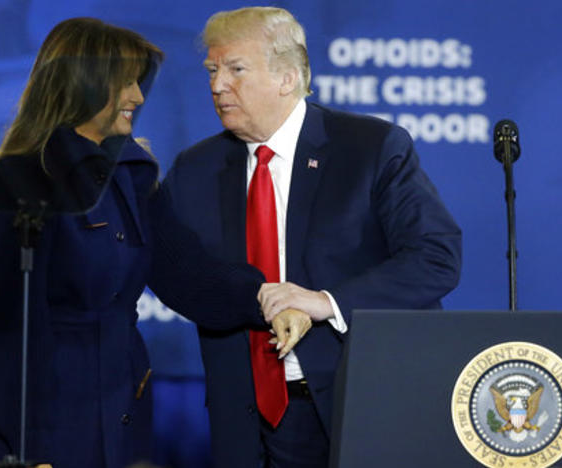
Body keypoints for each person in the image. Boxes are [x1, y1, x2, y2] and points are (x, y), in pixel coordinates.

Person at [0, 17, 310, 468]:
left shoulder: (133, 175)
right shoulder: (29, 179)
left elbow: (187, 273)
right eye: (125, 83)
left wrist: (268, 299)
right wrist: (32, 449)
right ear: (85, 84)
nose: (138, 96)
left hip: (124, 408)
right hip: (56, 424)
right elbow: (17, 338)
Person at [159, 6, 462, 467]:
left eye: (236, 69)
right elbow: (172, 269)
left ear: (287, 77)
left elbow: (436, 257)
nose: (218, 85)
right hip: (245, 420)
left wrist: (326, 301)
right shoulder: (194, 169)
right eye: (212, 70)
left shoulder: (370, 148)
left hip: (359, 406)